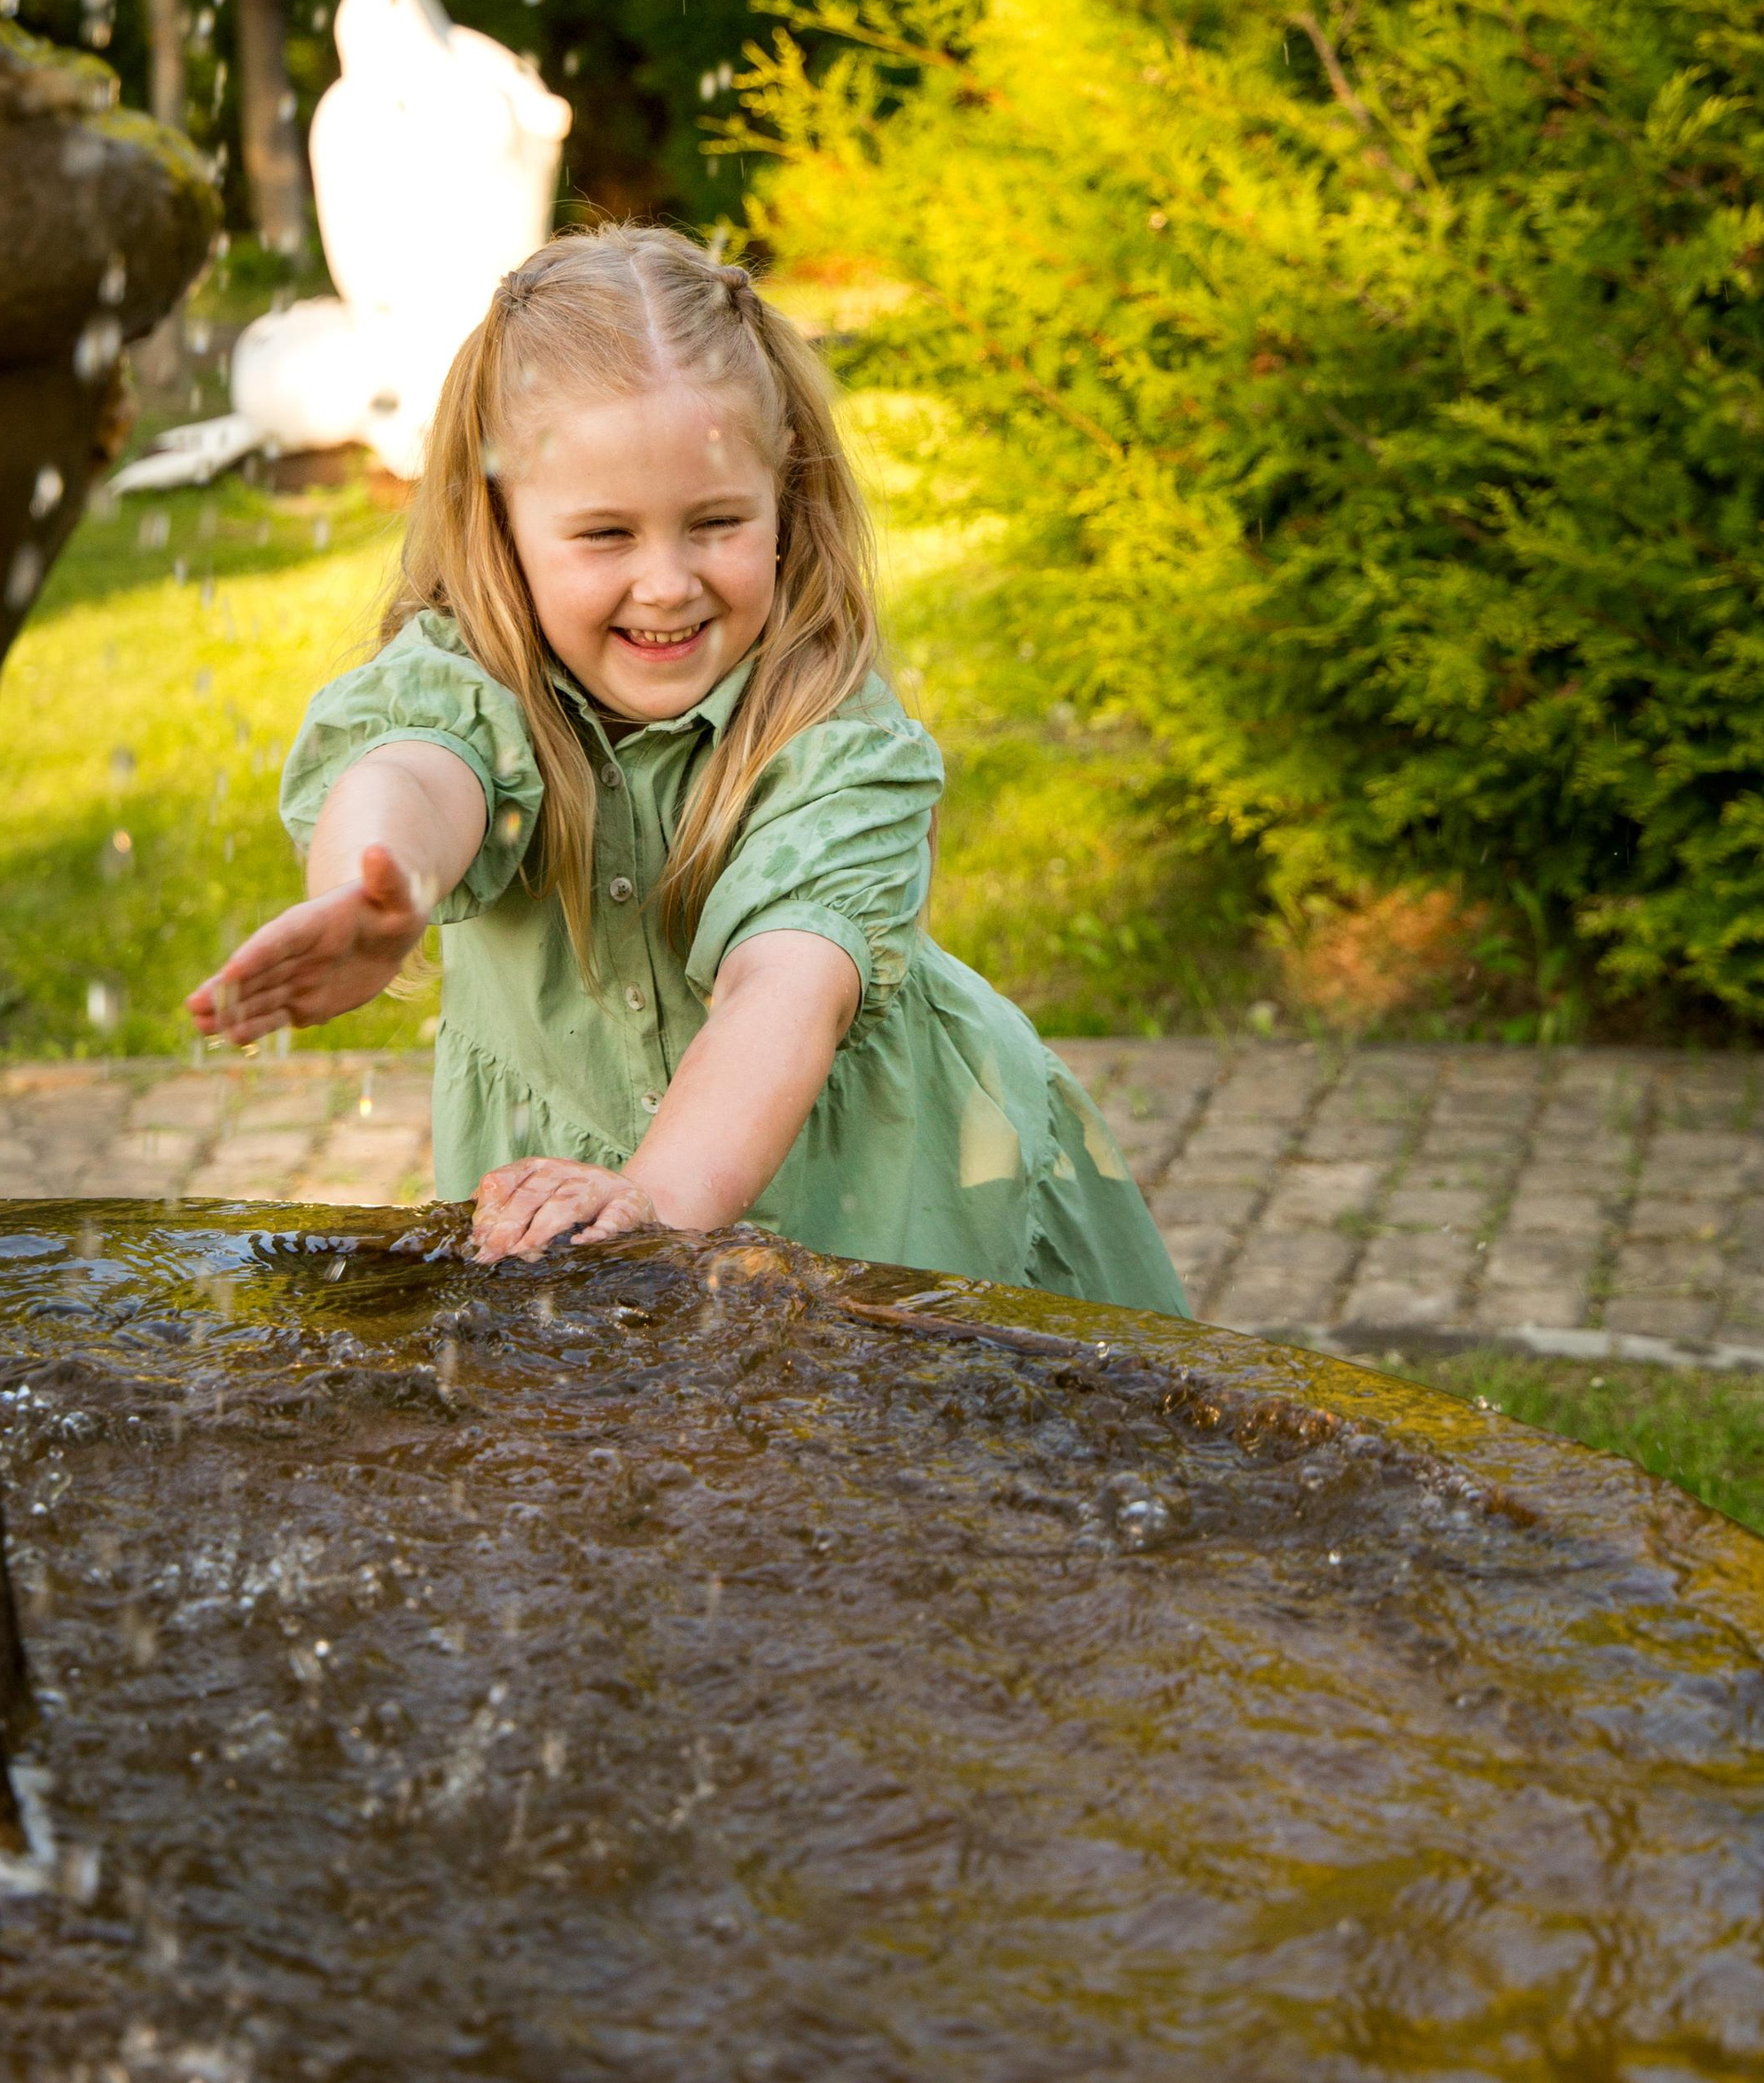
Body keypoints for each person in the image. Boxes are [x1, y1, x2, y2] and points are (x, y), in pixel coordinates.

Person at [187, 227, 1188, 1314]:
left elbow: (784, 994)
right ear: (504, 528)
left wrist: (648, 1207)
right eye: (605, 534)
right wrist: (371, 892)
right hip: (582, 1186)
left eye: (713, 524)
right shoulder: (468, 680)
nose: (665, 584)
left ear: (784, 504)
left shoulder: (831, 734)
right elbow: (418, 776)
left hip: (883, 1185)